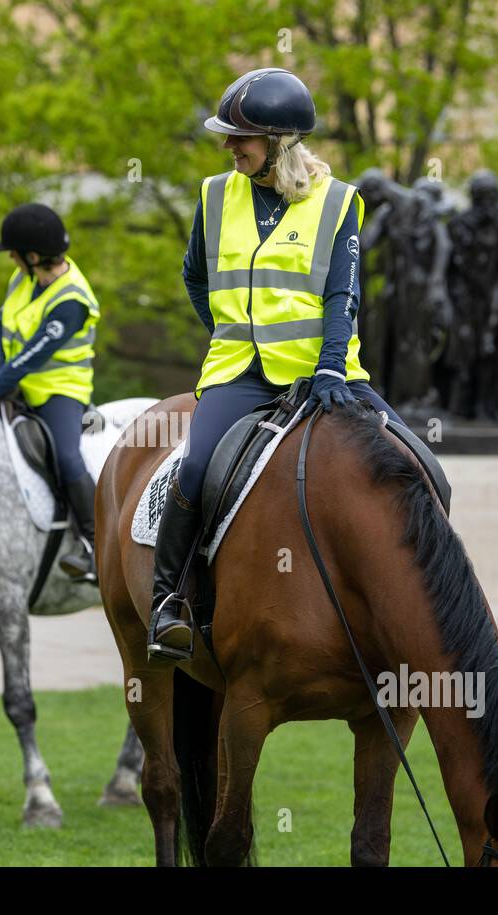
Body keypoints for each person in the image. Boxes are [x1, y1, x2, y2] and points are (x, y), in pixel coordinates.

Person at [148, 68, 405, 662]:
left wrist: (332, 368)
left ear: (281, 141)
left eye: (241, 136)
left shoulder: (338, 202)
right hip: (239, 373)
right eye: (228, 136)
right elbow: (195, 275)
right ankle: (169, 606)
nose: (229, 145)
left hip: (326, 375)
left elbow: (344, 296)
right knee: (192, 472)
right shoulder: (215, 195)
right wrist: (230, 333)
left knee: (421, 468)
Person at [0, 202, 102, 583]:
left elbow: (26, 361)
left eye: (14, 254)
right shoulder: (23, 279)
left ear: (32, 256)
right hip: (18, 386)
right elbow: (1, 328)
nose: (11, 260)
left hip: (59, 392)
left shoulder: (71, 303)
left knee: (65, 455)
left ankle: (96, 544)